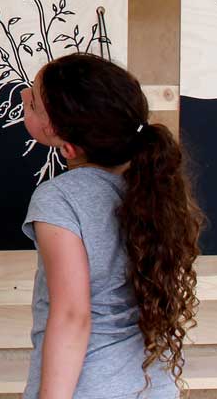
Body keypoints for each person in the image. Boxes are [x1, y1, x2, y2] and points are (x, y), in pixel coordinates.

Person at [20, 53, 203, 399]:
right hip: (154, 386)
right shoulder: (156, 187)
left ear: (68, 146)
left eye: (33, 102)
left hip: (85, 387)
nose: (22, 98)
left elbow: (73, 315)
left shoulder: (59, 198)